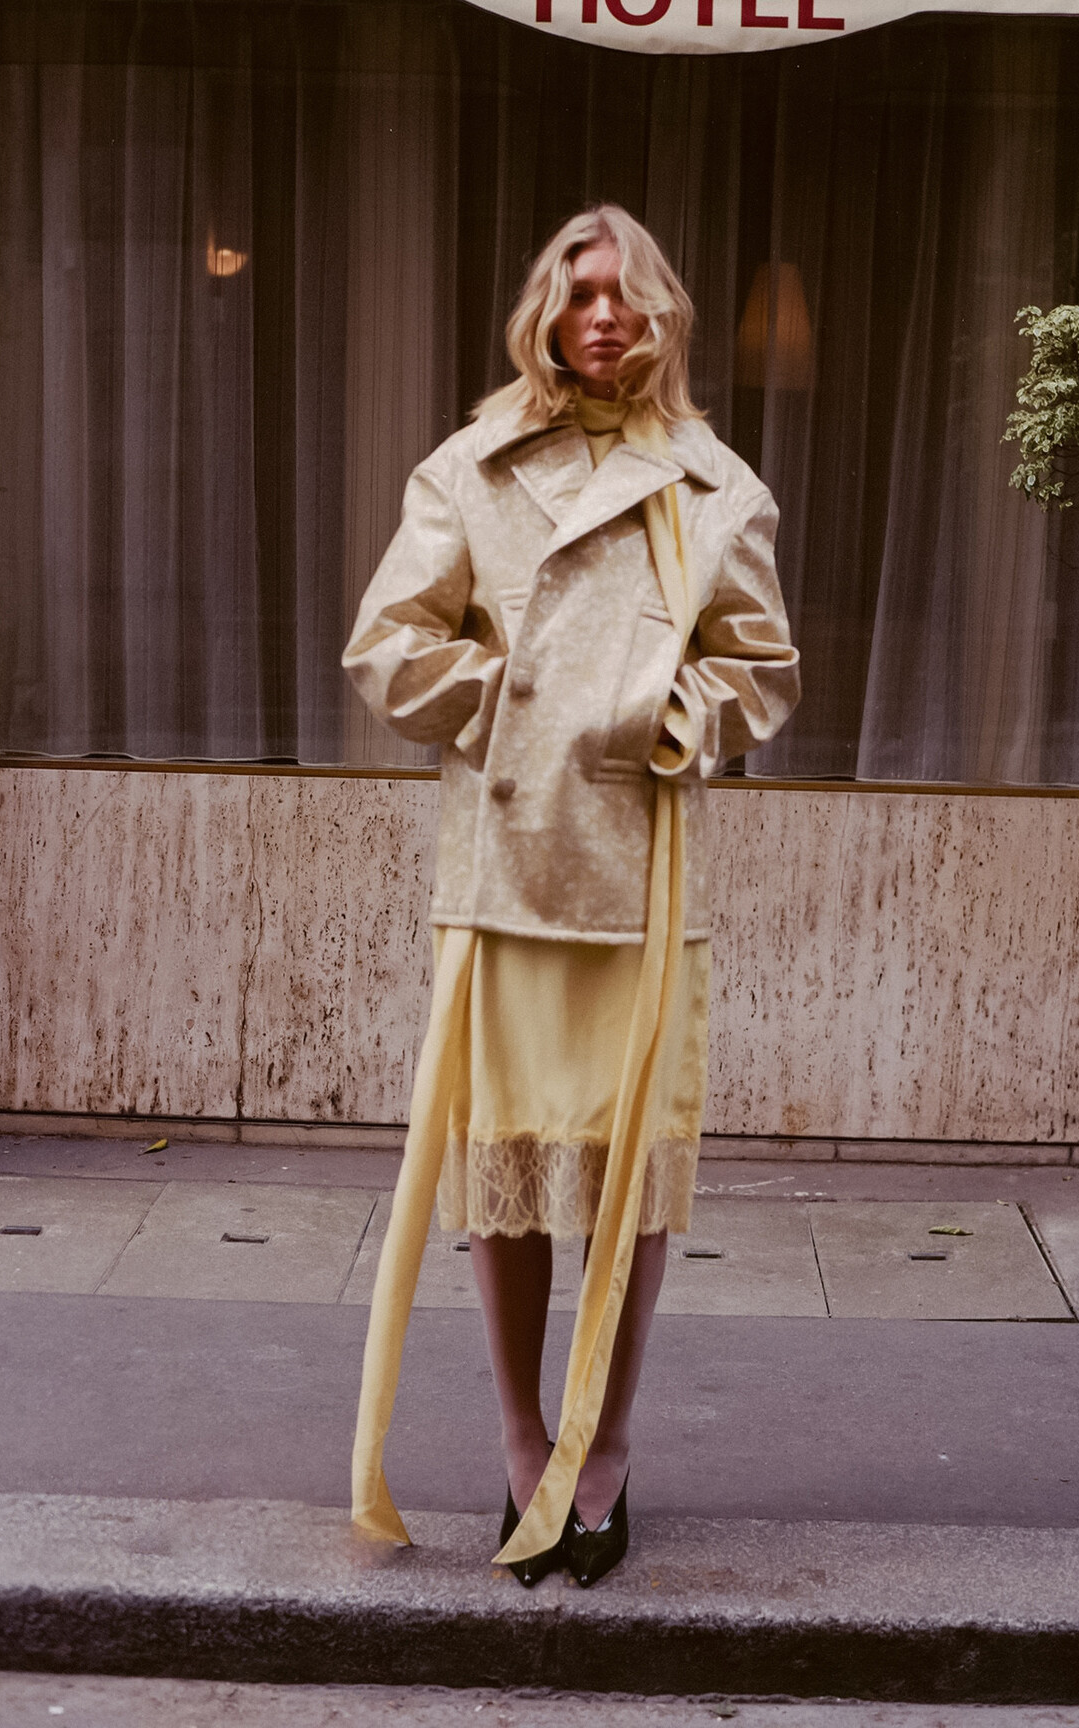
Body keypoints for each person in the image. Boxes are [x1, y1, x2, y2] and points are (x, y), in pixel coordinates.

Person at [342, 203, 800, 1587]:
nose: (603, 315)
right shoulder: (469, 470)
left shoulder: (717, 487)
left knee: (626, 1179)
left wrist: (655, 716)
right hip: (506, 873)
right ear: (545, 312)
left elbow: (763, 670)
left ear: (663, 318)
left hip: (641, 873)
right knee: (507, 1169)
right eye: (579, 291)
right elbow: (387, 644)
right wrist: (521, 705)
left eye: (627, 295)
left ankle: (603, 1445)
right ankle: (519, 1438)